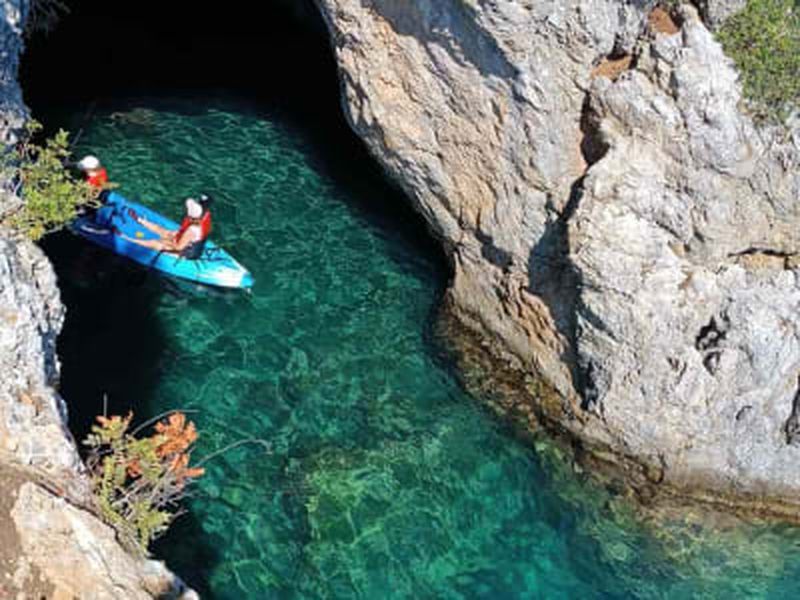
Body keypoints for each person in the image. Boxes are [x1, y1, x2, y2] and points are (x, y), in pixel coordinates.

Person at [121, 197, 209, 258]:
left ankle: (127, 239)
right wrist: (173, 234)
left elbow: (178, 247)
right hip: (187, 243)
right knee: (164, 232)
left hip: (183, 252)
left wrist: (170, 241)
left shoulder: (192, 230)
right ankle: (141, 220)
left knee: (156, 243)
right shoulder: (199, 221)